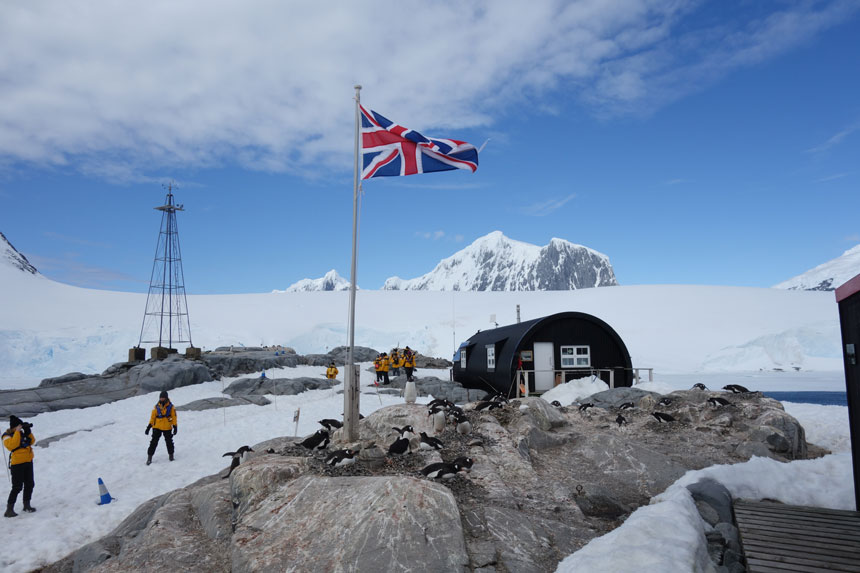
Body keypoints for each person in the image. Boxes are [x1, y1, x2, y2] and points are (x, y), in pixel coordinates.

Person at [3, 415, 36, 517]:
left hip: (28, 461)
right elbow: (13, 445)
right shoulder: (7, 436)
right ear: (13, 427)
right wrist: (17, 432)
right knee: (17, 487)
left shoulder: (21, 433)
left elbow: (32, 442)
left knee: (29, 484)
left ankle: (27, 505)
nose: (20, 428)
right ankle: (9, 510)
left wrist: (28, 431)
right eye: (19, 426)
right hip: (17, 464)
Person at [145, 390, 177, 465]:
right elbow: (152, 418)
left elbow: (174, 417)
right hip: (157, 427)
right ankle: (149, 458)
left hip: (167, 427)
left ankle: (171, 456)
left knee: (169, 442)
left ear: (166, 398)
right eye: (160, 398)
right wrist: (149, 427)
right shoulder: (156, 407)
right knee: (153, 442)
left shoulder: (171, 407)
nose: (161, 399)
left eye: (163, 398)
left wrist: (175, 426)